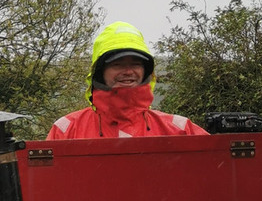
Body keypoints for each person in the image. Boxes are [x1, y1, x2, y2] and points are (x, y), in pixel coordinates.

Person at [47, 21, 208, 140]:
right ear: (100, 72)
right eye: (117, 64)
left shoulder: (179, 130)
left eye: (136, 64)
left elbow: (217, 168)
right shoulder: (66, 130)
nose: (128, 71)